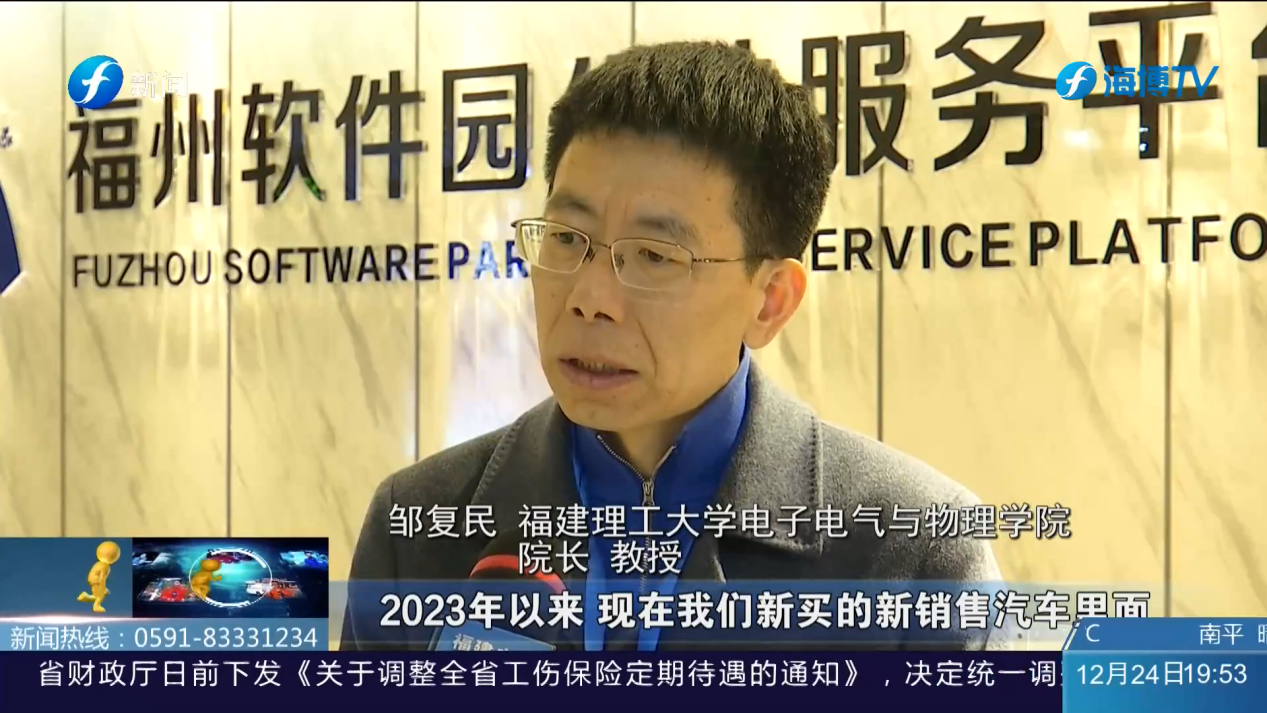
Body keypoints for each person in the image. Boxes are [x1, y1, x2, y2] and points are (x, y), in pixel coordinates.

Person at [343, 41, 1002, 651]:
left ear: (770, 300)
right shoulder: (417, 522)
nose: (588, 297)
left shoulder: (918, 550)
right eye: (567, 239)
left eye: (655, 255)